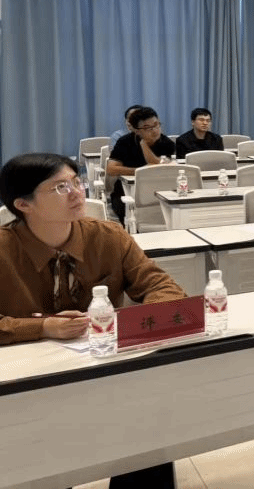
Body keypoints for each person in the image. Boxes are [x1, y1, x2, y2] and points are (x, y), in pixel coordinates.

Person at [0, 153, 186, 488]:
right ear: (23, 204)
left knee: (149, 430)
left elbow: (164, 288)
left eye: (76, 182)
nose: (76, 193)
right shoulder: (3, 251)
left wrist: (126, 324)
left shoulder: (108, 236)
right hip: (28, 383)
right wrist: (42, 327)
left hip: (106, 371)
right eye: (60, 187)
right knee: (40, 463)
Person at [107, 107, 176, 223]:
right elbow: (111, 169)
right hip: (126, 190)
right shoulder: (124, 142)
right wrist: (139, 171)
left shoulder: (167, 143)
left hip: (159, 188)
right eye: (147, 128)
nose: (155, 130)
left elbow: (158, 166)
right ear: (137, 130)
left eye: (156, 125)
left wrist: (144, 144)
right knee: (127, 212)